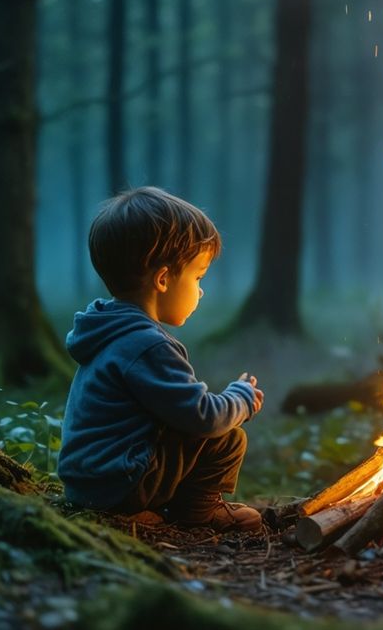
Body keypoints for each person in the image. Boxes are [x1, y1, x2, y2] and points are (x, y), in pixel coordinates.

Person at [57, 187, 264, 531]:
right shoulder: (146, 345)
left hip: (88, 483)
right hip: (120, 484)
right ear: (164, 279)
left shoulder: (107, 329)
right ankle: (196, 515)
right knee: (227, 439)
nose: (201, 290)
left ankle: (157, 505)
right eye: (197, 277)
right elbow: (203, 417)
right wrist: (240, 399)